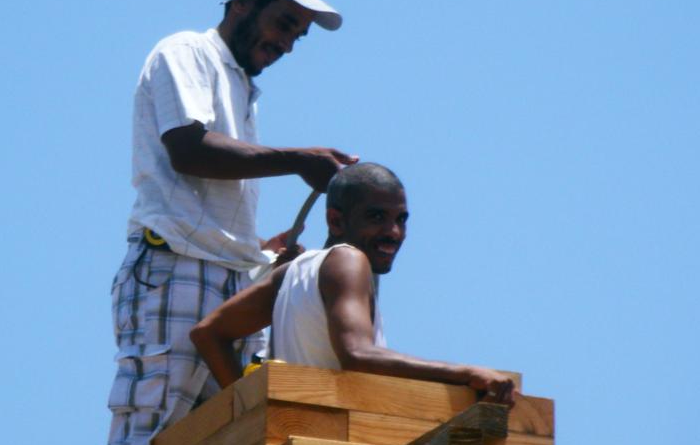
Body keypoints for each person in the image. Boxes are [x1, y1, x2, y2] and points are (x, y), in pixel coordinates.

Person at [92, 0, 355, 445]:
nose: (287, 42)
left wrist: (259, 254)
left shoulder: (240, 87)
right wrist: (298, 159)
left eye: (297, 34)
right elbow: (188, 149)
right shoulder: (186, 52)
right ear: (242, 0)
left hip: (223, 274)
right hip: (174, 270)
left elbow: (207, 201)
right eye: (283, 22)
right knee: (149, 442)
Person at [189, 163, 517, 400]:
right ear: (335, 220)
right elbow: (357, 354)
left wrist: (250, 413)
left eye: (401, 220)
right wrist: (466, 373)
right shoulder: (348, 260)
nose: (393, 233)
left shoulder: (292, 273)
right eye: (377, 217)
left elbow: (209, 333)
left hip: (295, 444)